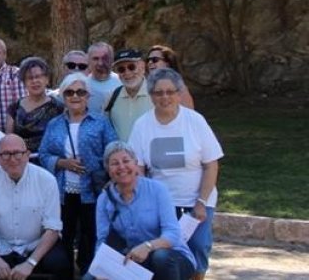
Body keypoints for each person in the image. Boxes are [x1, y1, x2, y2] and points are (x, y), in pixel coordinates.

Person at [129, 70, 223, 280]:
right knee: (164, 254)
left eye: (170, 92)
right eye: (158, 92)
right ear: (151, 95)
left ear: (179, 93)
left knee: (198, 247)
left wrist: (201, 202)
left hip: (197, 201)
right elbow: (140, 170)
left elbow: (211, 165)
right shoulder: (142, 125)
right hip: (163, 204)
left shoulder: (195, 121)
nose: (164, 97)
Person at [39, 74, 118, 276]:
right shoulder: (55, 124)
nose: (75, 96)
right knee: (64, 235)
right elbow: (44, 154)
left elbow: (113, 151)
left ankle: (88, 272)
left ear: (88, 96)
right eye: (70, 92)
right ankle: (64, 273)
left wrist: (103, 169)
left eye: (81, 92)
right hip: (62, 191)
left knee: (90, 235)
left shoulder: (100, 122)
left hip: (92, 189)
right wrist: (62, 163)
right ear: (63, 97)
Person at [0, 134, 68, 280]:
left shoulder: (46, 180)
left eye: (18, 153)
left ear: (27, 155)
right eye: (6, 154)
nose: (12, 159)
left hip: (35, 245)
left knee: (58, 262)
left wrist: (30, 263)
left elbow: (53, 228)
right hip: (2, 244)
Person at [94, 142, 197, 280]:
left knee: (160, 257)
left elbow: (173, 233)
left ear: (136, 163)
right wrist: (102, 267)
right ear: (107, 169)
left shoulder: (158, 190)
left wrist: (148, 246)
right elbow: (102, 240)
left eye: (126, 161)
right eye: (114, 163)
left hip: (172, 257)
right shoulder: (104, 199)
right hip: (134, 260)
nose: (121, 167)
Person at [5, 56, 64, 157]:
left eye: (38, 76)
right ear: (24, 82)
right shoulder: (14, 108)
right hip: (20, 160)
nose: (34, 81)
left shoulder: (58, 107)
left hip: (49, 160)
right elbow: (9, 139)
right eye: (30, 78)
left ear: (47, 79)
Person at [106, 49, 152, 142]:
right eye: (121, 69)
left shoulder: (156, 94)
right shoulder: (112, 97)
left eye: (131, 67)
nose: (127, 73)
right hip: (123, 155)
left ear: (142, 67)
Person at [85, 42, 121, 113]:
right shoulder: (83, 85)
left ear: (112, 60)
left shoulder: (122, 82)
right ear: (88, 60)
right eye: (95, 59)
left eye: (105, 58)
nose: (100, 63)